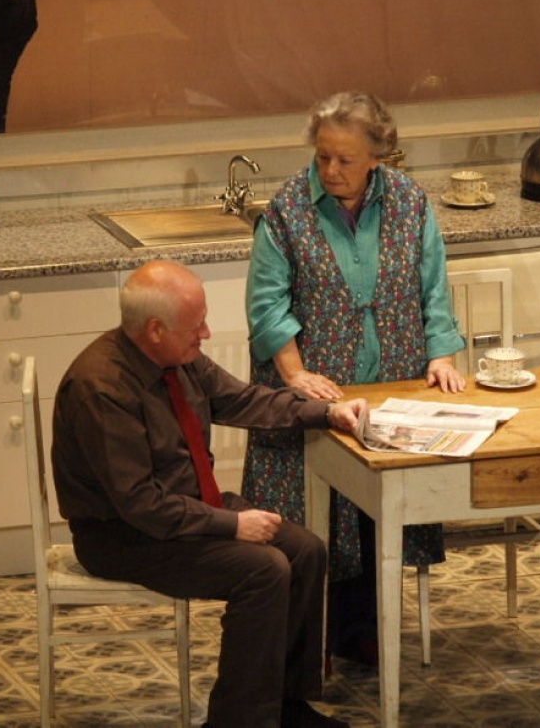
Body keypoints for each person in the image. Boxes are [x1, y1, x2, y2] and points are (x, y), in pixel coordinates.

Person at [51, 260, 365, 728]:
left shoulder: (179, 358)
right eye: (196, 324)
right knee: (263, 571)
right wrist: (233, 525)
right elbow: (140, 504)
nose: (207, 332)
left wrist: (326, 412)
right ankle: (239, 720)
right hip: (124, 537)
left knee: (306, 551)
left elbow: (244, 400)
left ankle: (285, 705)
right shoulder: (102, 388)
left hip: (189, 506)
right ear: (155, 329)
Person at [241, 91, 467, 669]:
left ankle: (364, 630)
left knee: (375, 510)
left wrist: (440, 353)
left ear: (377, 157)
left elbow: (432, 285)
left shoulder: (410, 202)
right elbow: (268, 305)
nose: (330, 171)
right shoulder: (287, 210)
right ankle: (309, 641)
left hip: (393, 382)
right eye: (322, 158)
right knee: (319, 514)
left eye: (343, 159)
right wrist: (295, 374)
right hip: (320, 391)